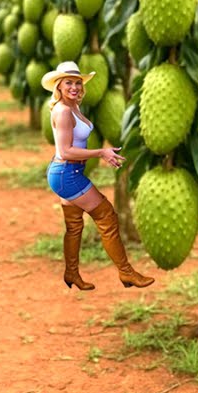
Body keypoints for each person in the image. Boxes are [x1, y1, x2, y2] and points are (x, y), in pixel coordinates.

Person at [42, 61, 154, 291]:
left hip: (66, 172)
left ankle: (71, 273)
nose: (74, 87)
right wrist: (101, 152)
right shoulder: (63, 111)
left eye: (77, 82)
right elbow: (65, 151)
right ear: (59, 86)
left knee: (74, 226)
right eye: (68, 83)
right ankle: (126, 272)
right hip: (66, 173)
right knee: (107, 218)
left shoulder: (72, 106)